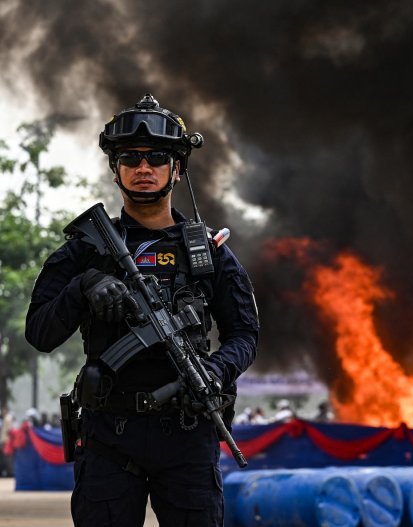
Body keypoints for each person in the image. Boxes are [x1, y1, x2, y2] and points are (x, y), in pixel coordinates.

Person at [26, 94, 259, 527]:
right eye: (130, 158)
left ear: (178, 167)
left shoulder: (208, 254)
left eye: (156, 157)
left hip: (188, 433)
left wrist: (217, 371)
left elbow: (245, 334)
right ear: (115, 168)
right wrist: (84, 286)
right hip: (109, 435)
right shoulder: (84, 251)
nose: (144, 167)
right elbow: (39, 333)